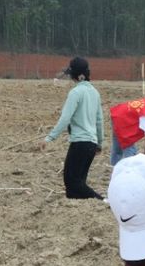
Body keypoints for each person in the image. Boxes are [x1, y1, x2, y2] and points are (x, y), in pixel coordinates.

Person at [44, 57, 103, 199]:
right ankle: (84, 204)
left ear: (76, 75)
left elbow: (65, 118)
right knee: (75, 187)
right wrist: (99, 143)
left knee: (72, 181)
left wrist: (50, 138)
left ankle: (103, 201)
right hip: (91, 144)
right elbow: (99, 121)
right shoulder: (95, 93)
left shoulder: (75, 93)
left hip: (80, 143)